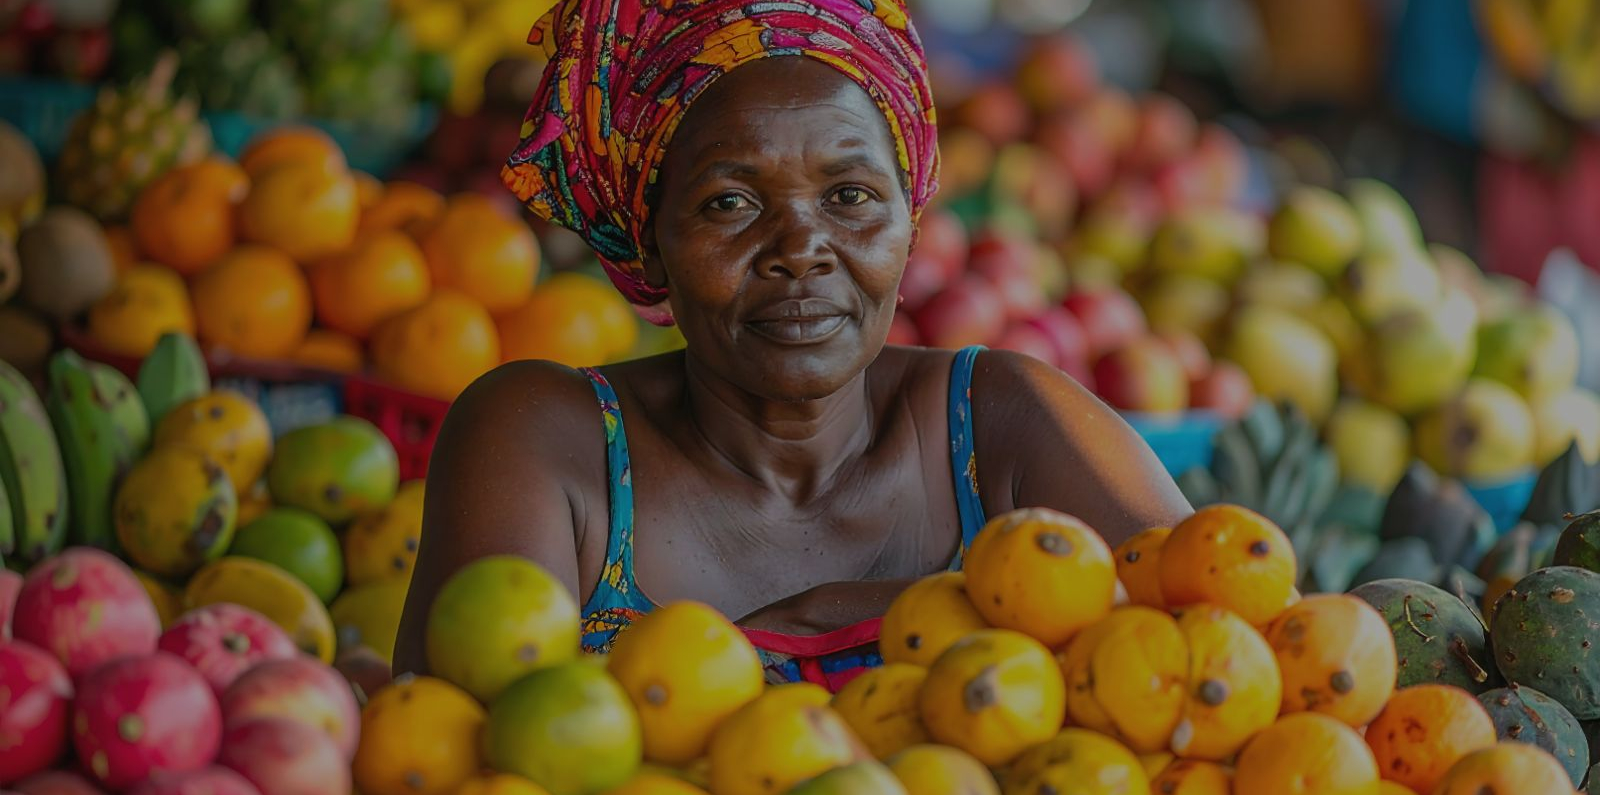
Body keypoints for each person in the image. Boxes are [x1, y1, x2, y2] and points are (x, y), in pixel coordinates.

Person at [394, 0, 1190, 687]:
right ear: (648, 245)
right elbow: (465, 745)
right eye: (729, 202)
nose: (801, 246)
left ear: (910, 227)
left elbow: (1225, 645)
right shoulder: (543, 440)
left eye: (851, 195)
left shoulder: (1002, 422)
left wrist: (837, 617)